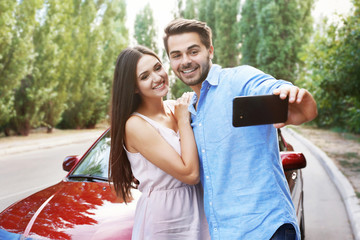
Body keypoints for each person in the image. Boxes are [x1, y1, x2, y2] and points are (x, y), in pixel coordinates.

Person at [163, 18, 318, 240]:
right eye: (176, 55)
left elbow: (300, 107)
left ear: (210, 51)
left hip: (266, 230)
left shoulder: (239, 80)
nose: (185, 61)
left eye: (193, 51)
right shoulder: (188, 111)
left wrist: (293, 97)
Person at [108, 46, 210, 240]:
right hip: (167, 217)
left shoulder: (176, 107)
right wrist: (182, 121)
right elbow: (190, 173)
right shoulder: (135, 125)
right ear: (134, 87)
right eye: (145, 76)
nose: (157, 78)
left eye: (157, 68)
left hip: (198, 207)